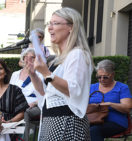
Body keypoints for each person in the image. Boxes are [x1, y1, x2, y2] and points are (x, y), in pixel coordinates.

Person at [27, 7, 93, 140]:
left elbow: (73, 89)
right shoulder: (60, 59)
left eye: (55, 23)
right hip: (52, 120)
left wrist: (46, 73)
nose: (50, 28)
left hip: (66, 122)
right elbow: (46, 93)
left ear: (71, 27)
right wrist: (33, 75)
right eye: (49, 24)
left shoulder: (77, 54)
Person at [89, 59, 132, 141]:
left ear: (113, 74)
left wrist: (110, 104)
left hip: (116, 122)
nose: (101, 79)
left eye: (105, 77)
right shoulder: (92, 87)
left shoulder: (122, 87)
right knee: (76, 128)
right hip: (93, 120)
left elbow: (127, 108)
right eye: (99, 77)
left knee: (94, 131)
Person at [10, 48, 44, 140]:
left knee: (25, 112)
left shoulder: (40, 74)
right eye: (26, 57)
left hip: (34, 105)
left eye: (33, 57)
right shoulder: (15, 74)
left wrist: (34, 103)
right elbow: (10, 92)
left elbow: (44, 95)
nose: (29, 60)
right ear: (23, 58)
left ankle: (23, 139)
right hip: (16, 104)